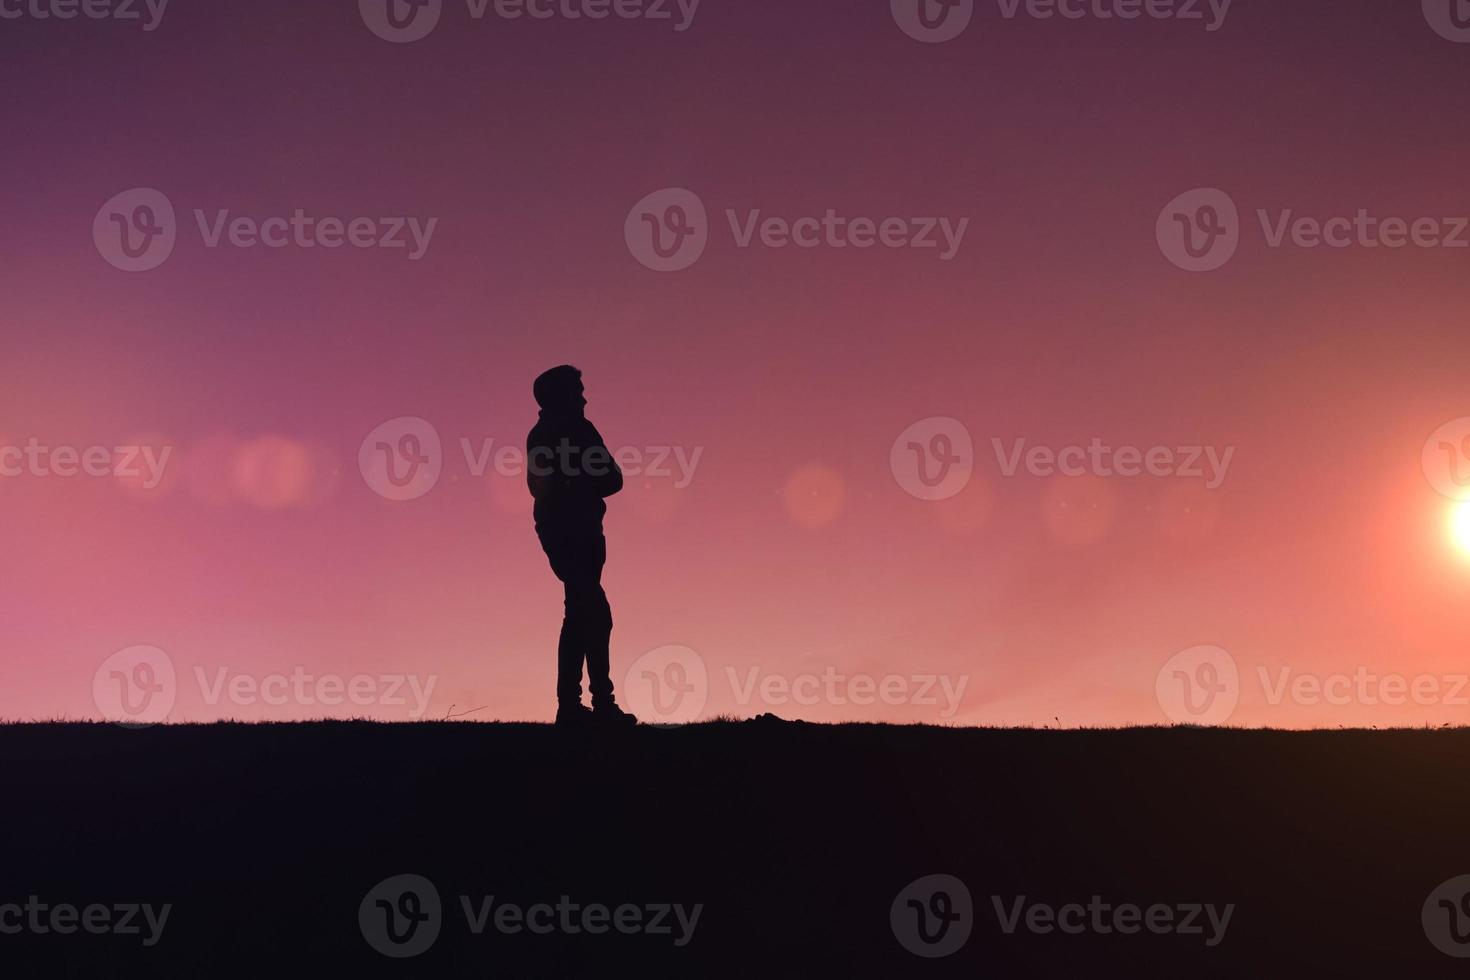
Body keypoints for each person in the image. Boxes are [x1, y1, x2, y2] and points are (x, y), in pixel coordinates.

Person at [526, 365, 638, 727]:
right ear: (561, 395)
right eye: (578, 391)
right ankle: (596, 704)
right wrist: (579, 483)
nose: (584, 397)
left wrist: (575, 481)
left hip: (583, 530)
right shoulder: (557, 432)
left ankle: (574, 707)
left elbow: (612, 479)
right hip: (566, 532)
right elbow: (547, 485)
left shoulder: (561, 432)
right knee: (593, 610)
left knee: (579, 613)